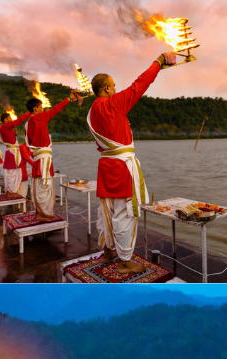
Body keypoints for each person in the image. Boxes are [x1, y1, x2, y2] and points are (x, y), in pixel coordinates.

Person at [87, 52, 176, 273]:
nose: (116, 89)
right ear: (107, 89)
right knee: (125, 212)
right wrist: (158, 62)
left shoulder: (91, 112)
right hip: (122, 167)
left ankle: (108, 251)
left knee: (106, 211)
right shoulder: (114, 103)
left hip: (105, 166)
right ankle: (124, 261)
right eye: (114, 86)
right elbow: (140, 84)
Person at [25, 90, 78, 220]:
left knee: (39, 185)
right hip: (43, 159)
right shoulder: (39, 118)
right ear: (36, 109)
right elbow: (56, 110)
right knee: (45, 185)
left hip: (39, 158)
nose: (43, 109)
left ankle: (39, 212)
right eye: (41, 107)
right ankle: (44, 214)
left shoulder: (28, 123)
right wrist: (69, 99)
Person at [0, 111, 31, 195]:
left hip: (11, 152)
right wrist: (29, 112)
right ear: (5, 119)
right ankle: (11, 192)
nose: (11, 119)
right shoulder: (6, 125)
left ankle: (10, 191)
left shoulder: (4, 127)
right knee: (12, 173)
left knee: (11, 173)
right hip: (12, 153)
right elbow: (19, 120)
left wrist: (14, 135)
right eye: (9, 118)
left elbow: (9, 139)